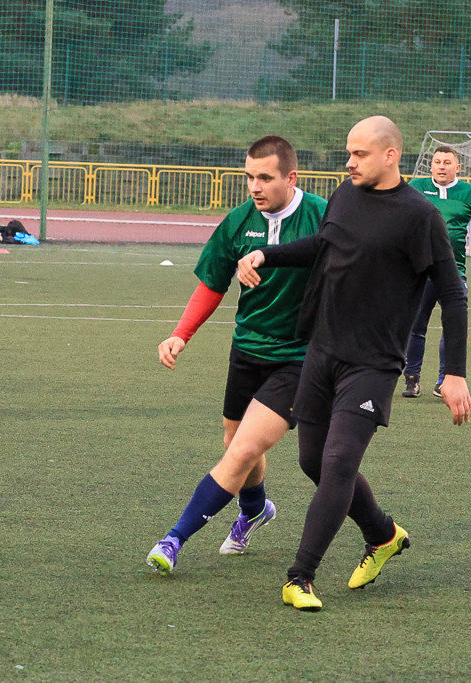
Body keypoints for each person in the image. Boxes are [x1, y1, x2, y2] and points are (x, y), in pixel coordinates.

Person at [236, 116, 471, 611]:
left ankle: (300, 576)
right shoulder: (344, 195)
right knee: (311, 461)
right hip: (322, 349)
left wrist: (455, 373)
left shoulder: (419, 216)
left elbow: (452, 292)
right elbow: (324, 249)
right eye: (348, 153)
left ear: (390, 155)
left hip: (374, 362)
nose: (349, 162)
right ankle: (383, 534)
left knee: (340, 462)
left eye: (359, 154)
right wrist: (267, 254)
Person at [146, 136, 326, 575]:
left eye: (265, 177)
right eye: (249, 177)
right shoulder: (238, 221)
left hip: (299, 357)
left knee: (241, 450)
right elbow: (212, 284)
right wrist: (180, 335)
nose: (254, 186)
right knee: (234, 444)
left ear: (291, 177)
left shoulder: (322, 216)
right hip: (247, 349)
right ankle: (255, 509)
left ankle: (174, 539)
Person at [402, 146, 471, 398]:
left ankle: (445, 379)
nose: (441, 166)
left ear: (458, 168)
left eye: (447, 162)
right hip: (419, 271)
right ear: (430, 166)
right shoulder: (415, 188)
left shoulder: (470, 193)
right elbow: (398, 223)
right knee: (416, 325)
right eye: (437, 162)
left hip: (454, 272)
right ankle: (412, 379)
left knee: (452, 327)